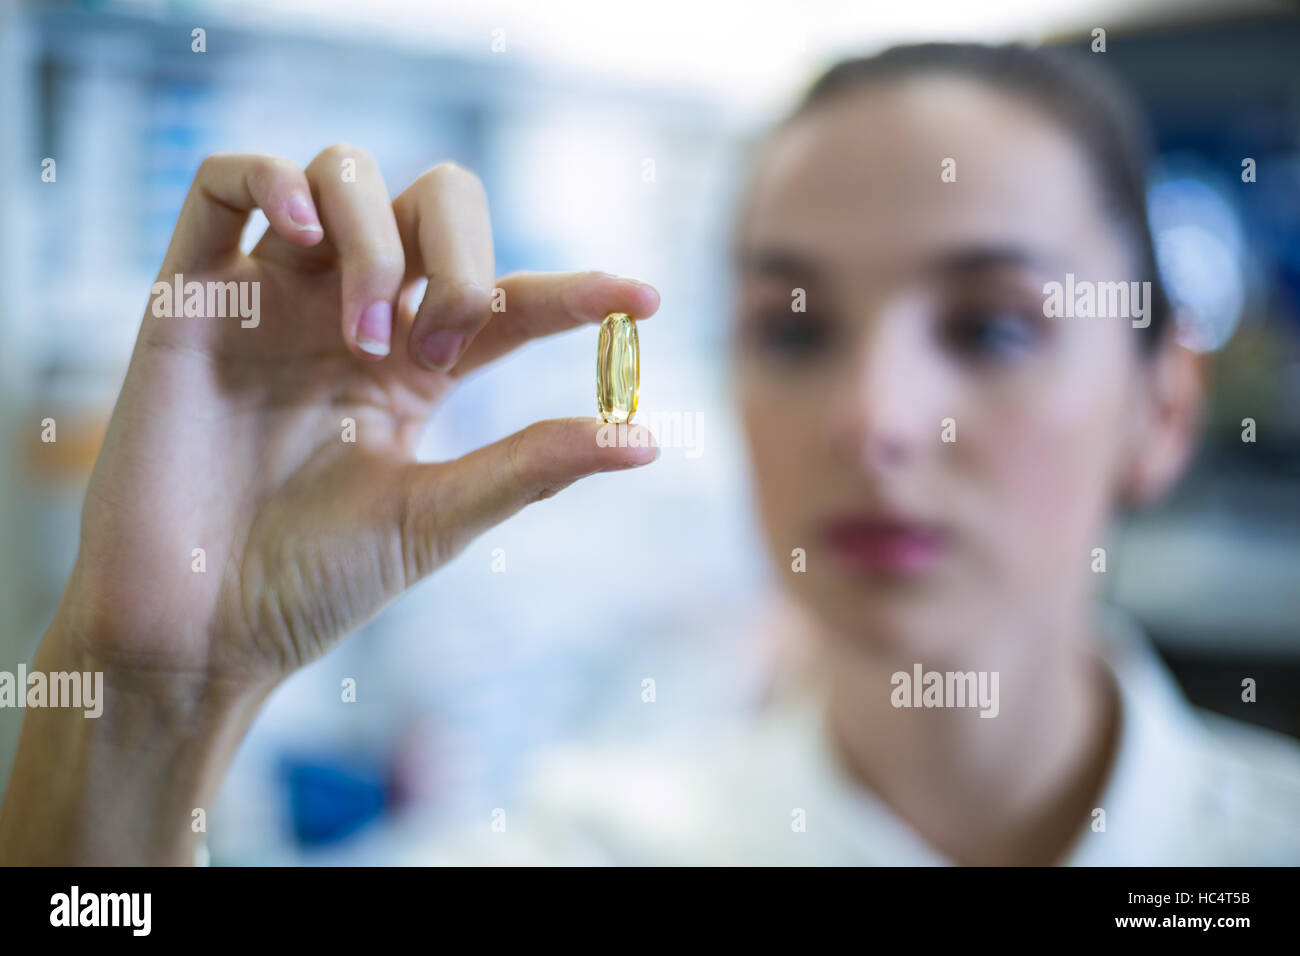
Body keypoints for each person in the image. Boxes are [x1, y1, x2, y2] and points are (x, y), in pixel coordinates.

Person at [1, 42, 1296, 866]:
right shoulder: (580, 849)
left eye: (994, 326)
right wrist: (148, 700)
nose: (877, 419)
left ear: (1166, 407)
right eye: (793, 333)